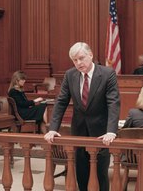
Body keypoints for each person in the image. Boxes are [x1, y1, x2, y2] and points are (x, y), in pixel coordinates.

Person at [44, 42, 120, 191]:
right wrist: (53, 128)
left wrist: (111, 131)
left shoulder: (107, 74)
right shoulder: (70, 74)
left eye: (81, 58)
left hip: (101, 132)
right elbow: (61, 102)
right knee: (82, 173)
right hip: (79, 131)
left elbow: (113, 103)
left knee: (101, 174)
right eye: (74, 60)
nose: (78, 63)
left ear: (90, 55)